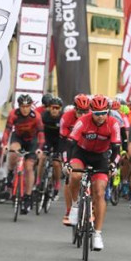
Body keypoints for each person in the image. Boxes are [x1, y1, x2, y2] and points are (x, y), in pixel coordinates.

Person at [65, 95, 122, 251]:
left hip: (101, 157)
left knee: (99, 192)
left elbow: (117, 149)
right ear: (91, 112)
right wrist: (66, 163)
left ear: (108, 111)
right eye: (97, 114)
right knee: (75, 175)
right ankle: (76, 206)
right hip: (81, 153)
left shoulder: (113, 124)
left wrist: (113, 165)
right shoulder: (83, 121)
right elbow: (70, 144)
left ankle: (97, 234)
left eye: (103, 113)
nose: (100, 116)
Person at [0, 94, 45, 214]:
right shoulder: (13, 114)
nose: (25, 109)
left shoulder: (36, 116)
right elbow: (7, 130)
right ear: (19, 106)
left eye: (27, 106)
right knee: (14, 152)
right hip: (18, 138)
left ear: (31, 106)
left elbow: (41, 134)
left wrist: (40, 148)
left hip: (32, 140)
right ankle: (10, 173)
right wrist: (4, 144)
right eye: (22, 106)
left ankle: (28, 196)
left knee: (29, 167)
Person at [59, 94, 91, 224]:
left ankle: (91, 206)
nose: (82, 114)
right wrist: (66, 162)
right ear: (74, 108)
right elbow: (63, 143)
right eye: (79, 111)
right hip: (71, 147)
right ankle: (70, 209)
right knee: (70, 177)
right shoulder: (66, 117)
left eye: (85, 111)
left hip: (87, 147)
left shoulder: (91, 118)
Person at [38, 96, 64, 198]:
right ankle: (39, 180)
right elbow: (39, 130)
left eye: (57, 108)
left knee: (56, 163)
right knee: (42, 158)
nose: (54, 110)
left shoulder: (63, 118)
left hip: (58, 141)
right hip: (47, 139)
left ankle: (57, 183)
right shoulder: (44, 116)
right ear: (49, 108)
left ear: (60, 109)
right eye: (53, 107)